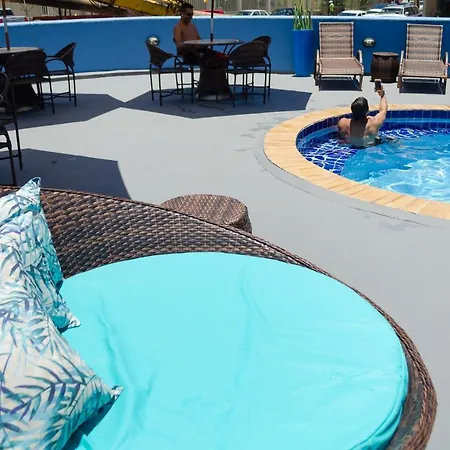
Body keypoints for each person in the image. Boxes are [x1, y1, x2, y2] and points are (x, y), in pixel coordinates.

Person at [337, 84, 388, 148]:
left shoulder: (343, 123)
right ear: (367, 111)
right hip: (369, 147)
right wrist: (382, 95)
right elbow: (383, 110)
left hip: (350, 147)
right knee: (389, 140)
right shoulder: (374, 123)